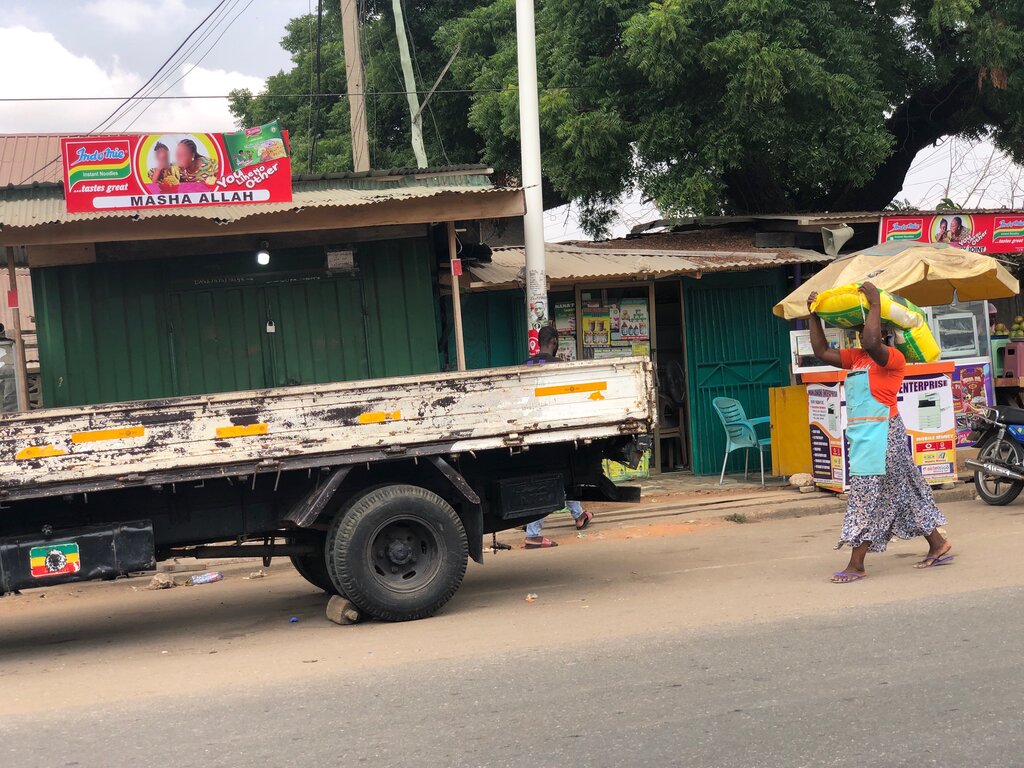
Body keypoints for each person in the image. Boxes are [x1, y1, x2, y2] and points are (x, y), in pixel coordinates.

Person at [807, 282, 952, 583]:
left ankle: (856, 564)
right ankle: (938, 544)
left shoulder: (892, 358)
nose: (862, 334)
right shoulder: (857, 358)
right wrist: (813, 316)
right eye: (861, 330)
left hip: (884, 436)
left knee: (866, 496)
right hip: (865, 436)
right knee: (903, 492)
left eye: (866, 329)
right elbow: (821, 351)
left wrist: (875, 304)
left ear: (882, 332)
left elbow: (873, 343)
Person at [523, 325, 593, 549]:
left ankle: (579, 515)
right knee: (551, 480)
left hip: (531, 431)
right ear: (553, 342)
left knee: (564, 474)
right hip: (554, 432)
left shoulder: (525, 366)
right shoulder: (560, 367)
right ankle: (532, 534)